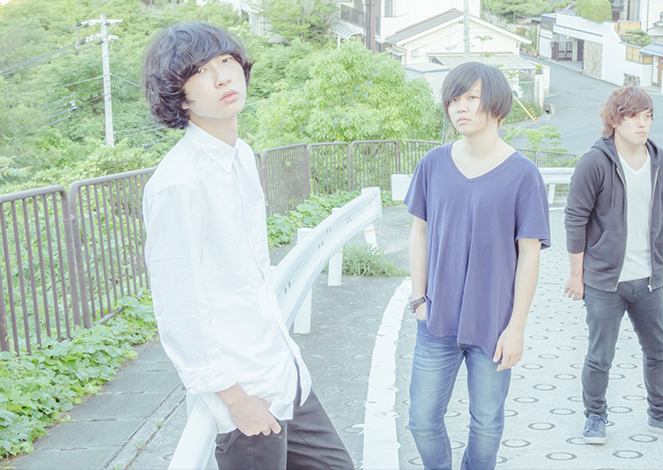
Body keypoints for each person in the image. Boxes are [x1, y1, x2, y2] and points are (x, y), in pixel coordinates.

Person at [141, 22, 352, 470]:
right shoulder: (179, 183)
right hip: (244, 395)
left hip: (283, 373)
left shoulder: (240, 156)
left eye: (226, 61)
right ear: (179, 96)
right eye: (200, 71)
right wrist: (236, 401)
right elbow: (179, 307)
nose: (222, 77)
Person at [404, 62, 550, 470]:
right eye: (454, 99)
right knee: (421, 420)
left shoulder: (523, 175)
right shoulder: (433, 163)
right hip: (437, 320)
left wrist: (516, 327)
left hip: (494, 325)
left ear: (498, 105)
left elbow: (530, 254)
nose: (460, 107)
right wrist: (419, 300)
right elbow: (419, 232)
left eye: (472, 97)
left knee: (486, 423)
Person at [564, 86, 663, 445]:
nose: (643, 124)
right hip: (604, 281)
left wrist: (660, 269)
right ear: (614, 120)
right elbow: (575, 219)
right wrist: (576, 275)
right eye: (633, 116)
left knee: (660, 350)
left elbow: (660, 219)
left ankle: (661, 415)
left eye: (648, 116)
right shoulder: (594, 163)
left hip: (649, 279)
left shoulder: (662, 161)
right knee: (600, 356)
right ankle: (595, 416)